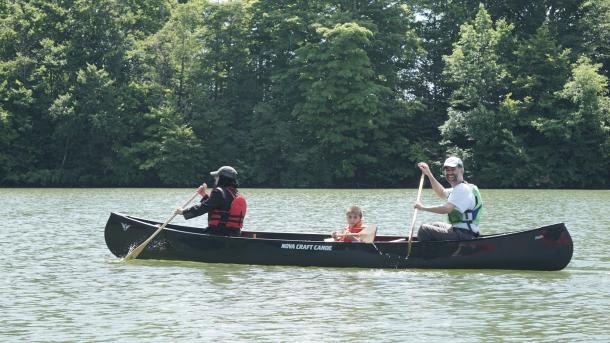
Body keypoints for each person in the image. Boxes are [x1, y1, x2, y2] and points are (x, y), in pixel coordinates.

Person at [413, 156, 483, 241]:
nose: (450, 172)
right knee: (435, 225)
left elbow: (447, 209)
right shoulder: (458, 189)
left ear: (461, 170)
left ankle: (428, 253)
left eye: (453, 169)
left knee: (424, 230)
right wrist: (429, 174)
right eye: (447, 170)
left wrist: (422, 207)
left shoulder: (462, 189)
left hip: (465, 235)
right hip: (462, 232)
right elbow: (441, 193)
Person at [175, 166, 247, 237]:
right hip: (234, 234)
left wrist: (183, 212)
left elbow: (203, 208)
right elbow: (217, 205)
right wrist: (204, 195)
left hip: (219, 233)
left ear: (222, 178)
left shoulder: (219, 192)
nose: (215, 178)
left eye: (217, 177)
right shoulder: (235, 193)